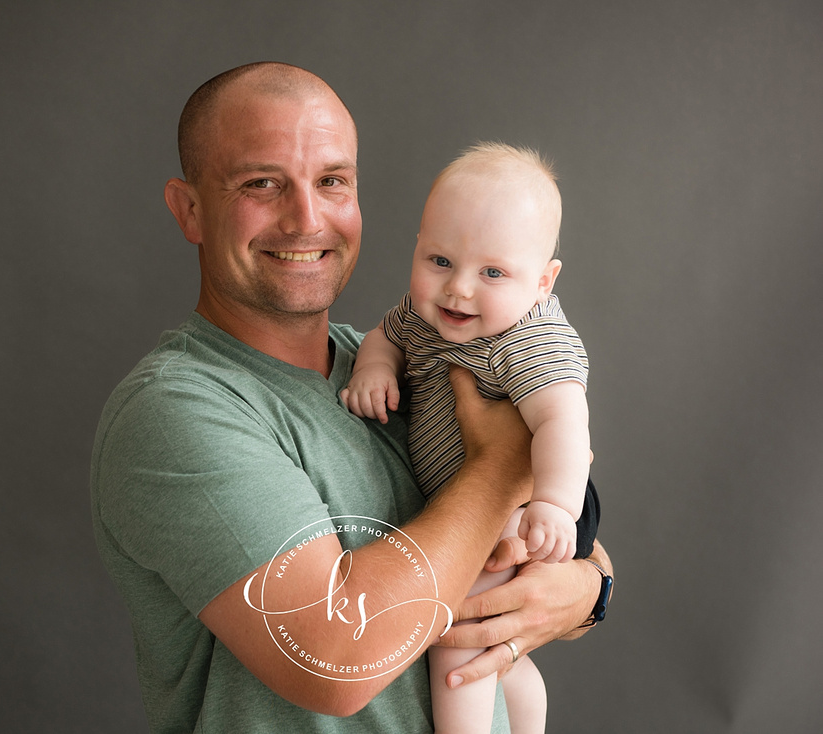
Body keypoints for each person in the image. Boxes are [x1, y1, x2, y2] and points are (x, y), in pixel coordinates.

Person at [90, 62, 612, 733]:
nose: (306, 218)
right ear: (190, 208)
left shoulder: (408, 363)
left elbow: (570, 540)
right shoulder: (178, 412)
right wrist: (502, 463)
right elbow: (333, 661)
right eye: (262, 183)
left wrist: (587, 591)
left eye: (332, 181)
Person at [341, 143, 592, 733]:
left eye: (493, 272)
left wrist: (556, 507)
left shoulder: (528, 340)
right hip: (465, 508)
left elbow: (564, 423)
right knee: (503, 657)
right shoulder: (422, 316)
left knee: (455, 632)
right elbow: (383, 337)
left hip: (515, 518)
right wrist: (373, 368)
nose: (459, 290)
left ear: (542, 282)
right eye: (439, 260)